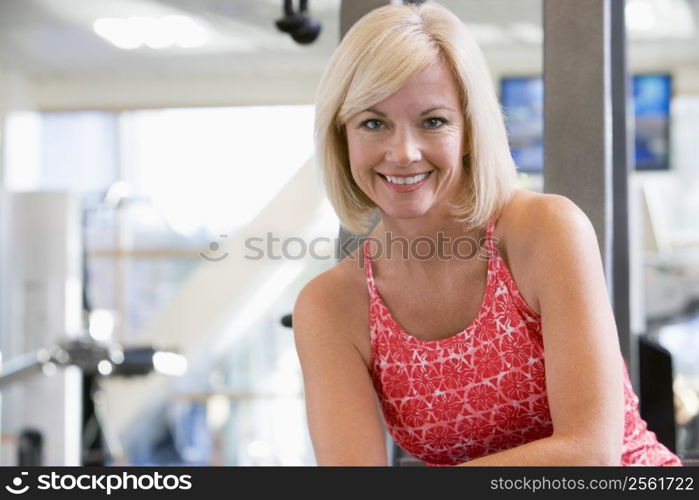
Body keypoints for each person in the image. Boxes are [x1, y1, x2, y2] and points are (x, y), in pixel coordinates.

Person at [293, 1, 683, 466]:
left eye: (432, 121)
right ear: (342, 137)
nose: (403, 152)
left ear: (470, 131)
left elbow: (590, 455)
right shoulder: (330, 306)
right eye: (373, 123)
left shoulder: (546, 231)